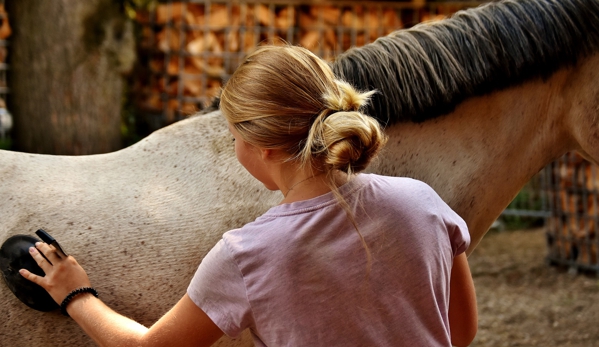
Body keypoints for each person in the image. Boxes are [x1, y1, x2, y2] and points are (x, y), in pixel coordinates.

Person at [20, 44, 477, 347]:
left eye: (232, 134)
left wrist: (74, 292)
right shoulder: (423, 201)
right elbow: (462, 331)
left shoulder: (248, 254)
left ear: (266, 147)